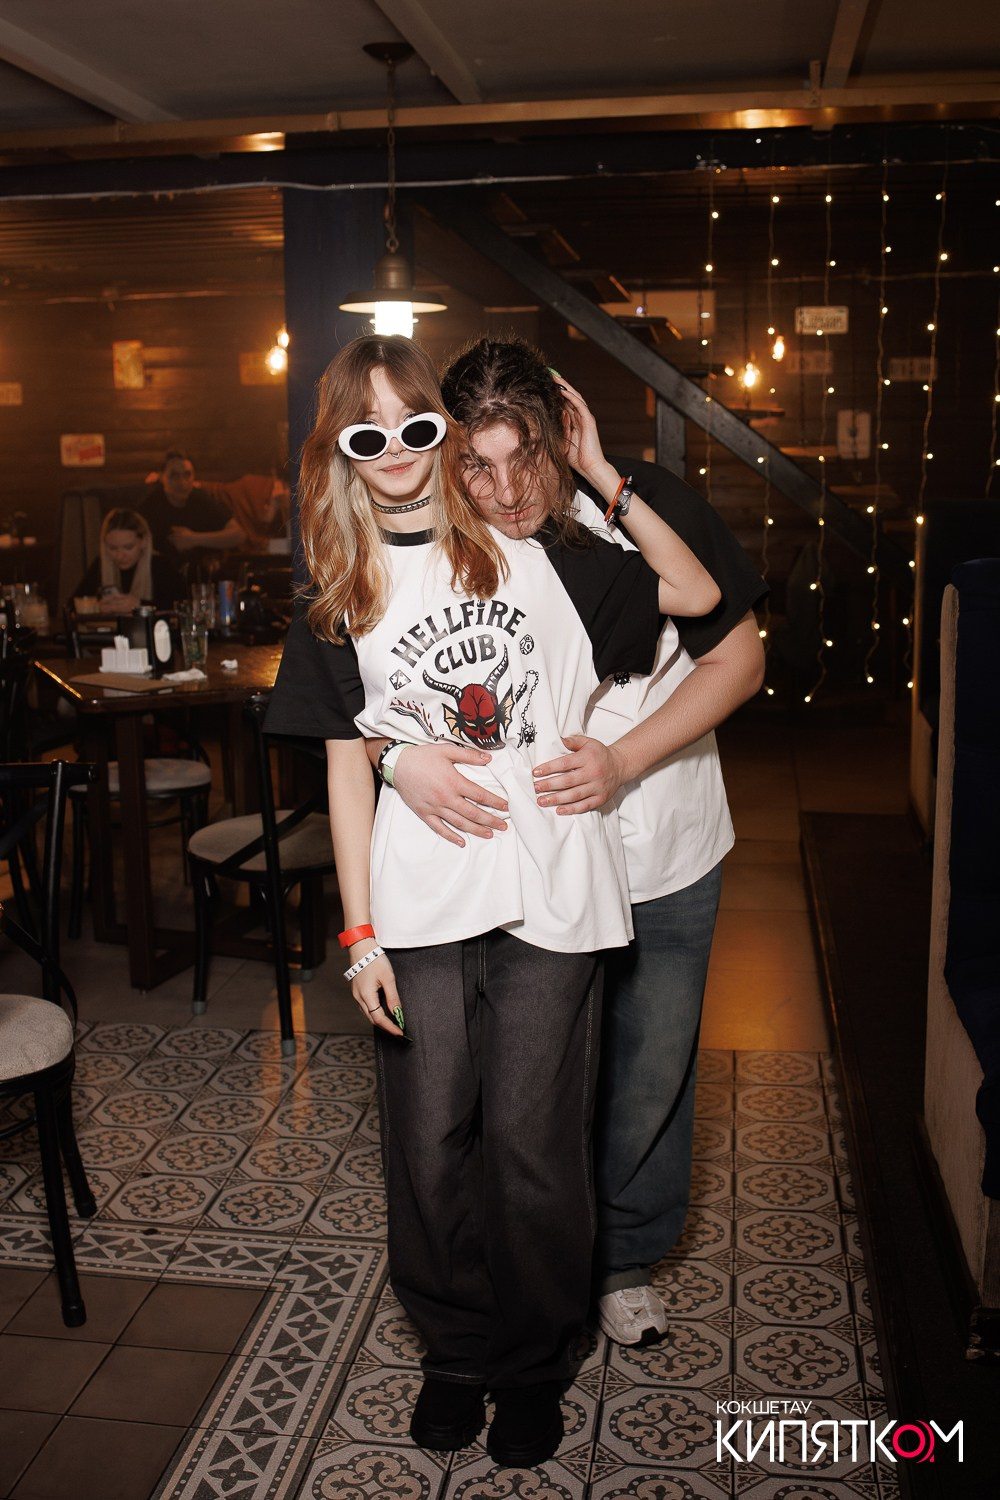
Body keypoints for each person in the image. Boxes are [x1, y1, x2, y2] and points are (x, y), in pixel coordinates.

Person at [264, 334, 719, 1467]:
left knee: (532, 1143)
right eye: (367, 433)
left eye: (417, 427)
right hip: (418, 906)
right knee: (427, 1143)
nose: (395, 450)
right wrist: (359, 932)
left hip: (551, 894)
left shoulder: (541, 553)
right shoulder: (341, 588)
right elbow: (342, 769)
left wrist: (601, 473)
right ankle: (455, 1352)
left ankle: (530, 1363)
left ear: (446, 431)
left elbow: (697, 593)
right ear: (339, 451)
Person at [371, 336, 767, 1347]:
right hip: (524, 864)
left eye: (530, 459)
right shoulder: (454, 545)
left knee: (647, 1071)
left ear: (561, 436)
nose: (507, 493)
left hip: (664, 842)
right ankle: (525, 1262)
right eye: (477, 465)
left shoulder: (647, 507)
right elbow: (381, 692)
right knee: (524, 1087)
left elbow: (737, 659)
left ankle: (622, 1260)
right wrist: (393, 759)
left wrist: (623, 760)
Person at [72, 507, 186, 614]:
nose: (120, 555)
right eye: (113, 548)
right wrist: (97, 607)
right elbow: (71, 607)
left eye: (128, 547)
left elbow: (180, 608)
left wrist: (140, 605)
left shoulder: (161, 566)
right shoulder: (100, 566)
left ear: (144, 542)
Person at [141, 449, 246, 563]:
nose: (182, 482)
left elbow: (239, 535)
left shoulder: (199, 498)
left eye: (187, 475)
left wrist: (193, 539)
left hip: (200, 569)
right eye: (174, 475)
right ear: (162, 477)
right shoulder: (151, 503)